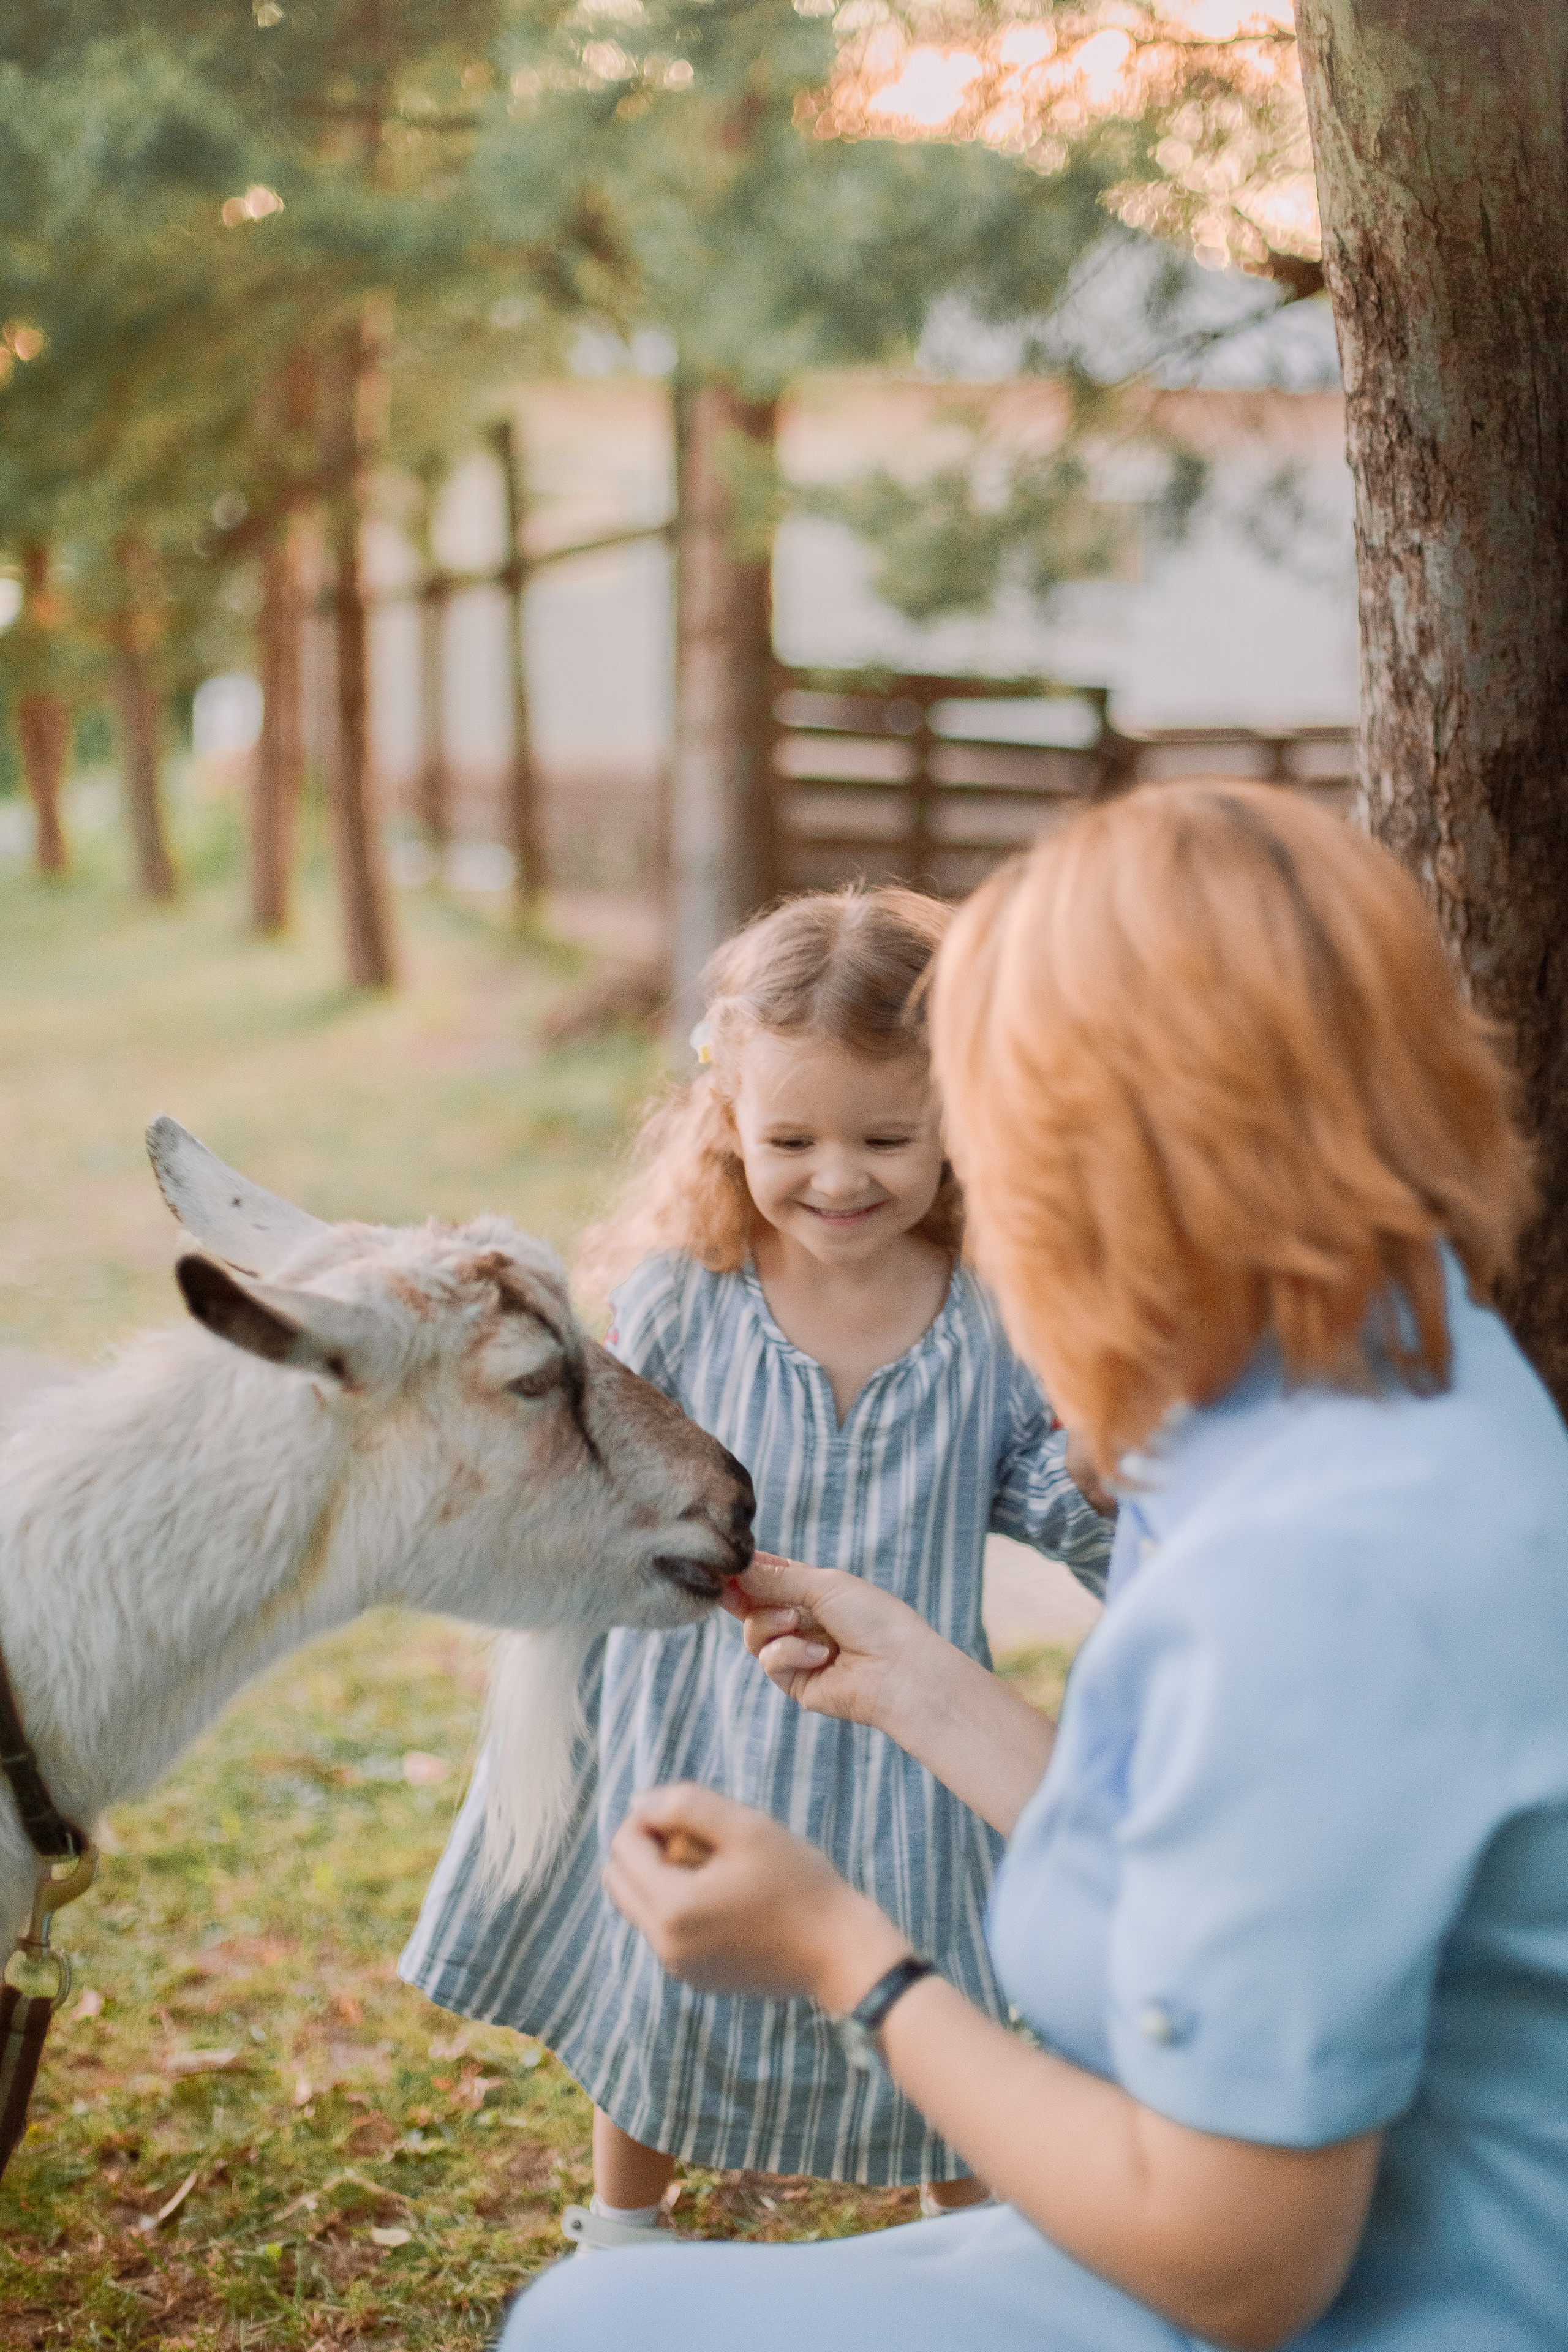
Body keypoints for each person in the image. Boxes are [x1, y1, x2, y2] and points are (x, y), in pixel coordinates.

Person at [497, 781, 1568, 2351]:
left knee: (582, 2330)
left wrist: (847, 1956)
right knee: (597, 2300)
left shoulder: (1317, 1573)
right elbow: (1230, 1849)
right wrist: (920, 1683)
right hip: (1359, 2236)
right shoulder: (1407, 1357)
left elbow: (1238, 2267)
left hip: (1395, 2299)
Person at [400, 884, 1114, 2242]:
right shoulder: (688, 1294)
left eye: (885, 1138)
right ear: (726, 1117)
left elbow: (1031, 1496)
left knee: (931, 1971)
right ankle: (625, 2226)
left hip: (910, 1747)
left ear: (960, 1118)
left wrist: (1085, 1469)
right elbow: (603, 1467)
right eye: (792, 1139)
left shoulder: (989, 1317)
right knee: (666, 1973)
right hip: (698, 1718)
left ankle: (962, 2234)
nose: (837, 1179)